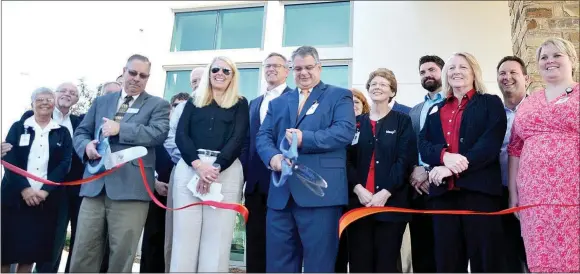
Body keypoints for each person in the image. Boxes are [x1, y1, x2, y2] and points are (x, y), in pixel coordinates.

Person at [256, 45, 356, 272]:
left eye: (309, 67)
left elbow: (344, 132)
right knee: (278, 263)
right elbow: (263, 136)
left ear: (319, 68)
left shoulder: (339, 95)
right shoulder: (279, 102)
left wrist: (304, 138)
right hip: (281, 197)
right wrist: (273, 158)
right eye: (298, 68)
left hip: (320, 194)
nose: (303, 73)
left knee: (319, 264)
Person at [70, 54, 170, 273]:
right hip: (94, 187)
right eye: (133, 73)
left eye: (143, 75)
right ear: (123, 71)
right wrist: (86, 147)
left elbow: (158, 133)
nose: (136, 78)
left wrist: (120, 129)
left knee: (121, 257)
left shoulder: (158, 104)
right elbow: (81, 132)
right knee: (83, 253)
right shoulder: (102, 101)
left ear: (148, 78)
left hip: (131, 191)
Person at [418, 52, 508, 272]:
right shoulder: (434, 110)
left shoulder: (490, 103)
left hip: (480, 195)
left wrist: (453, 167)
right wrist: (444, 157)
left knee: (485, 262)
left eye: (463, 67)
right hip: (443, 197)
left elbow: (489, 143)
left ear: (474, 72)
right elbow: (423, 143)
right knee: (447, 262)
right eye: (451, 68)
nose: (456, 71)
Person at [508, 37, 579, 273]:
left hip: (572, 192)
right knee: (540, 258)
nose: (550, 61)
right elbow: (515, 149)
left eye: (556, 55)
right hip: (533, 196)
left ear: (572, 60)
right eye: (544, 57)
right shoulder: (530, 102)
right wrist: (513, 192)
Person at [171, 56, 249, 272]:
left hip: (225, 171)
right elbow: (181, 135)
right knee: (185, 236)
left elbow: (238, 137)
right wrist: (198, 165)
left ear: (233, 76)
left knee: (217, 240)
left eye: (226, 71)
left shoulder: (240, 103)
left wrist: (215, 167)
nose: (220, 74)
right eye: (216, 69)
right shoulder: (194, 100)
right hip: (190, 168)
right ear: (209, 72)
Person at [346, 68, 416, 273]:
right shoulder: (356, 123)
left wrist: (385, 192)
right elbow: (345, 160)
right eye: (373, 84)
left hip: (391, 205)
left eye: (383, 84)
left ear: (392, 92)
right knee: (360, 264)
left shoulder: (403, 121)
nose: (377, 87)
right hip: (359, 205)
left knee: (386, 264)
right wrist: (358, 189)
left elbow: (405, 160)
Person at [1, 87, 73, 273]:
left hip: (43, 201)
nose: (44, 102)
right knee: (5, 253)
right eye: (40, 99)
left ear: (53, 103)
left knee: (30, 254)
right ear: (32, 103)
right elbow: (8, 159)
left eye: (49, 99)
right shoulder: (18, 127)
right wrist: (24, 189)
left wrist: (44, 191)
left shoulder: (62, 132)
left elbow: (64, 164)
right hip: (13, 199)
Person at [240, 52, 291, 273]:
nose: (271, 69)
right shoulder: (254, 103)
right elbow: (246, 142)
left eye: (276, 66)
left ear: (287, 70)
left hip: (282, 181)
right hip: (254, 184)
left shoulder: (295, 98)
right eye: (267, 66)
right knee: (255, 242)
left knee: (281, 244)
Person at [139, 93, 189, 273]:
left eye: (184, 106)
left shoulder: (190, 136)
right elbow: (142, 157)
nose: (179, 110)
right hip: (157, 195)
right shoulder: (157, 131)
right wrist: (154, 182)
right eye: (176, 105)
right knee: (153, 240)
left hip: (184, 198)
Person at [407, 55, 445, 273]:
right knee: (421, 249)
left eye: (432, 70)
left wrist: (430, 171)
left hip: (445, 184)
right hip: (418, 187)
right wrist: (415, 171)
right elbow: (409, 146)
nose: (427, 75)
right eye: (422, 72)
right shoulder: (415, 111)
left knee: (446, 249)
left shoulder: (451, 103)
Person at [164, 67, 204, 271]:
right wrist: (194, 162)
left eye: (201, 79)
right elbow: (171, 141)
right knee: (177, 231)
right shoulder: (181, 108)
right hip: (183, 172)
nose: (197, 84)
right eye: (194, 81)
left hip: (213, 176)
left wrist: (208, 167)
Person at [496, 55, 529, 272]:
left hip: (531, 195)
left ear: (527, 78)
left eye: (513, 72)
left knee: (533, 255)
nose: (507, 77)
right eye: (502, 73)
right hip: (499, 193)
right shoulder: (493, 114)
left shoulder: (537, 110)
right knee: (507, 257)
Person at [335, 87, 370, 273]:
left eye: (355, 102)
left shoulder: (369, 128)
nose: (351, 107)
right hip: (337, 194)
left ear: (364, 106)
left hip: (360, 196)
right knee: (338, 249)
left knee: (359, 251)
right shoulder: (335, 128)